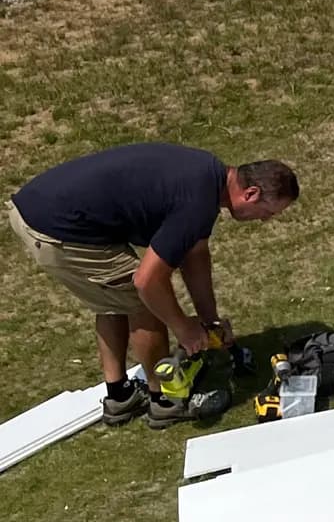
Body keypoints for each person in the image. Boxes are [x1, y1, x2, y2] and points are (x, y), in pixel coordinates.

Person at [7, 145, 299, 429]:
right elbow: (147, 282)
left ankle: (120, 397)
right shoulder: (197, 202)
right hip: (54, 226)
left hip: (49, 210)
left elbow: (195, 256)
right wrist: (184, 328)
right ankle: (165, 402)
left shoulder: (208, 177)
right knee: (143, 302)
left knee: (114, 295)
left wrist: (209, 321)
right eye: (268, 212)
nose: (265, 220)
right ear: (251, 194)